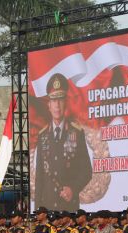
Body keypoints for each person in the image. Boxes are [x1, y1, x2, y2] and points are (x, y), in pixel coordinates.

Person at [34, 73, 92, 211]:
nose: (57, 105)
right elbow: (40, 177)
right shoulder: (42, 136)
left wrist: (73, 188)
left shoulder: (76, 133)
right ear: (49, 105)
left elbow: (86, 171)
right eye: (54, 101)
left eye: (60, 100)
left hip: (68, 207)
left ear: (65, 102)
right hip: (47, 207)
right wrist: (37, 209)